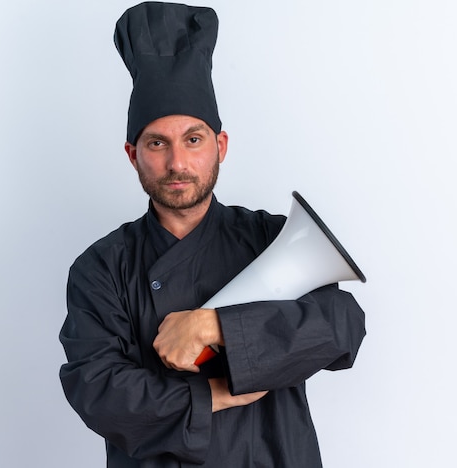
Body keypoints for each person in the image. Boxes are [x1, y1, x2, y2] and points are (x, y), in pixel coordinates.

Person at [59, 2, 366, 467]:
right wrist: (216, 393)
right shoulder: (101, 268)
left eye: (194, 139)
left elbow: (343, 325)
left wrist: (214, 326)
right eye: (157, 143)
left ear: (220, 145)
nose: (177, 163)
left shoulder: (269, 237)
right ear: (132, 154)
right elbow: (97, 390)